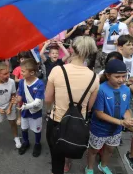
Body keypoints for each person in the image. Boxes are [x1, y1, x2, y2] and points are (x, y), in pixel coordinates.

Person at [45, 36, 100, 174]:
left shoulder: (58, 70)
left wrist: (49, 110)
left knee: (56, 158)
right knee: (70, 148)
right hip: (78, 124)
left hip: (57, 120)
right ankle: (67, 162)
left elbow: (47, 99)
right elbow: (90, 106)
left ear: (71, 48)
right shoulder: (94, 77)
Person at [86, 59, 133, 174]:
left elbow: (125, 109)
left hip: (116, 130)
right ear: (108, 75)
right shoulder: (101, 90)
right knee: (94, 150)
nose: (121, 80)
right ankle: (89, 168)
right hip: (100, 129)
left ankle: (103, 165)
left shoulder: (126, 90)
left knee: (110, 149)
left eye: (124, 76)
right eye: (117, 76)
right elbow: (99, 113)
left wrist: (129, 119)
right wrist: (121, 122)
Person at [0, 61, 20, 148]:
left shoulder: (12, 82)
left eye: (8, 73)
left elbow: (13, 95)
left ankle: (16, 137)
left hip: (9, 104)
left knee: (12, 122)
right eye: (4, 74)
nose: (8, 76)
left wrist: (9, 107)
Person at [16, 59, 45, 157]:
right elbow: (20, 95)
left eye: (23, 71)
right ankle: (26, 142)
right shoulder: (21, 82)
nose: (21, 72)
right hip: (25, 111)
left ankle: (37, 144)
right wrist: (16, 100)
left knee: (37, 129)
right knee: (24, 128)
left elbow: (38, 102)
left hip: (35, 111)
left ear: (32, 72)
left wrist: (25, 106)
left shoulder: (40, 83)